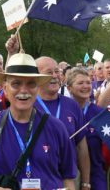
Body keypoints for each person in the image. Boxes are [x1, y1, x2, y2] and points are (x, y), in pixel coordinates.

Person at [0, 53, 77, 189]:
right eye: (16, 84)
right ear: (5, 88)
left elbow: (68, 178)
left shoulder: (57, 127)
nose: (24, 90)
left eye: (31, 84)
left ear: (38, 89)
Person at [35, 56, 91, 189]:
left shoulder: (72, 105)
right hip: (37, 178)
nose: (55, 76)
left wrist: (86, 182)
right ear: (36, 76)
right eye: (49, 72)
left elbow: (82, 147)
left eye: (57, 71)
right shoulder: (28, 105)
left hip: (69, 178)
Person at [67, 67, 107, 190]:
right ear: (69, 88)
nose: (86, 86)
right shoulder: (63, 111)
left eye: (88, 82)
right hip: (68, 173)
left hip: (95, 173)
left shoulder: (100, 113)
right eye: (80, 83)